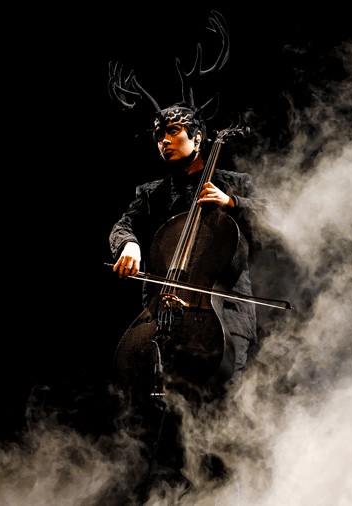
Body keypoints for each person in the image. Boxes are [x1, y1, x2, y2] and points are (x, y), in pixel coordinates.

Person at [107, 101, 265, 496]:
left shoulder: (234, 182)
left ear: (197, 137)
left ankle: (224, 494)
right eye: (159, 135)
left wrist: (232, 204)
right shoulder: (153, 193)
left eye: (173, 132)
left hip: (223, 317)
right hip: (163, 316)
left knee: (220, 416)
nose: (163, 141)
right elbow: (123, 225)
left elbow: (273, 218)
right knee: (159, 423)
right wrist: (128, 246)